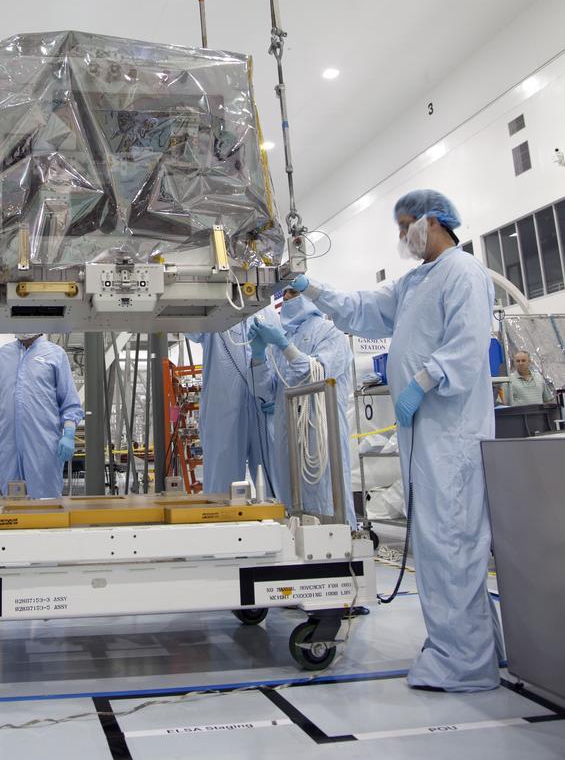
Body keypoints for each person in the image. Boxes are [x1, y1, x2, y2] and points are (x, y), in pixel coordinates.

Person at [288, 189, 503, 692]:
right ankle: (472, 647)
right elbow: (363, 309)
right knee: (437, 544)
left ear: (434, 221)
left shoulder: (463, 273)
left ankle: (464, 664)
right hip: (425, 437)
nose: (402, 235)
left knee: (451, 544)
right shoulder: (414, 282)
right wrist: (311, 288)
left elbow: (468, 344)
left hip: (451, 435)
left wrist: (421, 383)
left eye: (406, 225)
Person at [248, 289, 356, 525]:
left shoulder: (331, 332)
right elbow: (265, 391)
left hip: (320, 434)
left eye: (293, 292)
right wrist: (258, 356)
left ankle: (339, 539)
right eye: (285, 293)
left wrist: (283, 344)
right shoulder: (280, 341)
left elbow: (315, 373)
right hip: (288, 436)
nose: (286, 298)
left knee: (326, 499)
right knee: (292, 504)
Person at [0, 334, 83, 498]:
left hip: (43, 448)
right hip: (8, 449)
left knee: (45, 503)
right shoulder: (2, 355)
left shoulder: (55, 355)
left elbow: (69, 403)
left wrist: (68, 434)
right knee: (12, 503)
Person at [185, 326, 273, 496]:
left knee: (275, 485)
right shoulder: (217, 317)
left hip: (265, 408)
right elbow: (191, 327)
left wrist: (280, 395)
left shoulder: (269, 316)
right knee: (221, 490)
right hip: (224, 411)